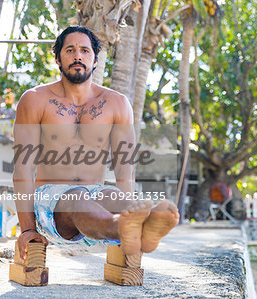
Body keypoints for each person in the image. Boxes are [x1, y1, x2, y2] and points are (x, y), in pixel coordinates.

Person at [13, 26, 179, 262]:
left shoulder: (117, 104)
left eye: (84, 50)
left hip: (94, 198)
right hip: (49, 206)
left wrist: (130, 205)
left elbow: (124, 169)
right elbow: (23, 169)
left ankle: (142, 224)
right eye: (70, 50)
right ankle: (124, 227)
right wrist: (28, 229)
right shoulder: (35, 99)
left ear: (95, 60)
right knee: (77, 198)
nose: (78, 56)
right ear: (58, 59)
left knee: (111, 195)